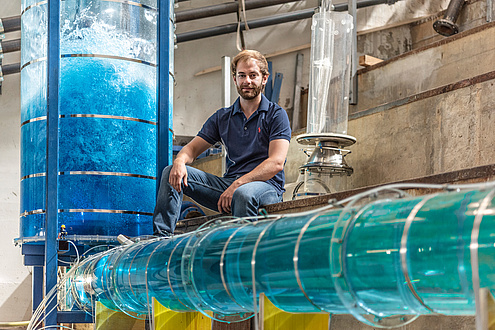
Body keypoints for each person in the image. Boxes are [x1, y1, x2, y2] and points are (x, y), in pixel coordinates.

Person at [153, 50, 291, 236]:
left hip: (266, 188)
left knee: (244, 193)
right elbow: (191, 150)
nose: (247, 81)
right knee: (170, 172)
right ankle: (161, 240)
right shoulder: (222, 118)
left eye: (253, 75)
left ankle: (240, 256)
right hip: (230, 186)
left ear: (264, 78)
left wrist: (236, 186)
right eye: (241, 75)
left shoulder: (276, 115)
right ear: (235, 79)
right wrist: (179, 162)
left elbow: (276, 163)